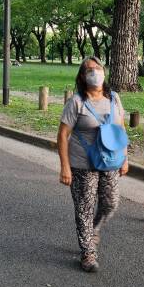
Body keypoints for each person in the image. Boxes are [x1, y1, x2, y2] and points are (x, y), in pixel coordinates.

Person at [57, 57, 128, 272]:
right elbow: (62, 135)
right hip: (82, 163)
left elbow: (121, 129)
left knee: (110, 204)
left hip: (110, 161)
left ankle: (93, 230)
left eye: (98, 68)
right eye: (89, 70)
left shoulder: (114, 98)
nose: (95, 72)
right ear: (82, 76)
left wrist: (125, 157)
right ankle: (87, 252)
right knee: (84, 208)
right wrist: (65, 166)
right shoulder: (76, 102)